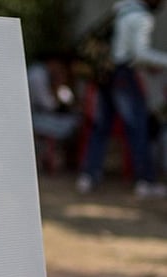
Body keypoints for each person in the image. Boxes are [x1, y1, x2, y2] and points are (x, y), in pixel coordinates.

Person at [76, 0, 167, 197]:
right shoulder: (141, 16)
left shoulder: (121, 11)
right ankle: (145, 180)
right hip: (123, 74)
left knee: (101, 127)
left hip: (106, 74)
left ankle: (88, 176)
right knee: (137, 127)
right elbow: (140, 54)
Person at [27, 53, 81, 173]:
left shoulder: (43, 73)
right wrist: (57, 87)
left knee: (74, 120)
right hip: (34, 118)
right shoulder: (37, 75)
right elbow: (48, 104)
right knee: (74, 123)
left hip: (41, 115)